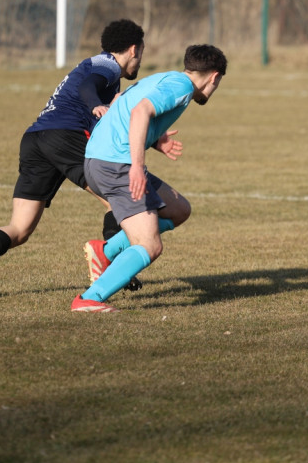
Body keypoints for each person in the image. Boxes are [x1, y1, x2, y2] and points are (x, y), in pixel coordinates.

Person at [0, 19, 146, 298]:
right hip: (64, 136)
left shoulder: (99, 71)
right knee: (116, 198)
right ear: (134, 49)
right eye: (142, 53)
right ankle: (115, 269)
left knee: (20, 229)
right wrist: (95, 105)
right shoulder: (108, 65)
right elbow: (88, 87)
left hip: (35, 139)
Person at [72, 43, 228, 313]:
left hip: (100, 159)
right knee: (150, 245)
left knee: (179, 209)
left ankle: (104, 251)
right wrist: (136, 165)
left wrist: (155, 141)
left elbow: (120, 101)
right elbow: (140, 111)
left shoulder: (166, 78)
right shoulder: (182, 87)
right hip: (116, 164)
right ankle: (89, 298)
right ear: (214, 77)